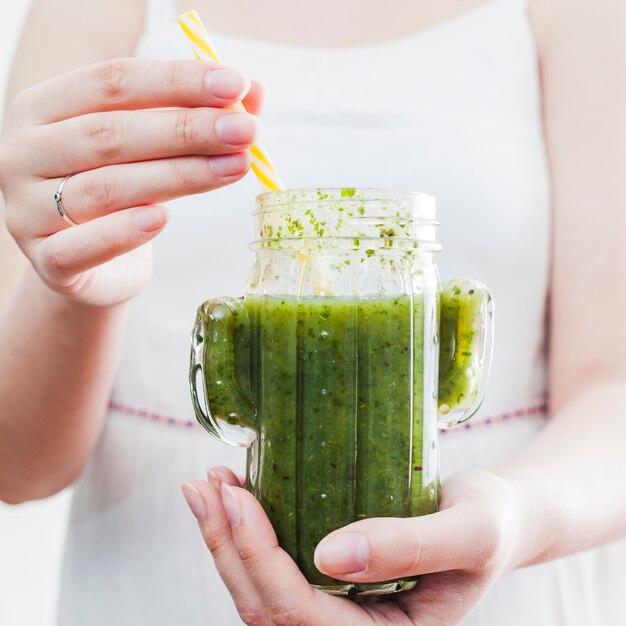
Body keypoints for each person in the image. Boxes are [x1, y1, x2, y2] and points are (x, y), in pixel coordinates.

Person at [0, 0, 623, 624]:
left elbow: (611, 389)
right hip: (151, 575)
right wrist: (79, 285)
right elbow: (17, 467)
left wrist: (513, 520)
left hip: (499, 583)